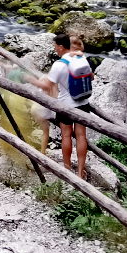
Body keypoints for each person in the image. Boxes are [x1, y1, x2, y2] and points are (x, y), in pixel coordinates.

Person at [40, 33, 94, 178]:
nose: (55, 49)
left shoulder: (59, 65)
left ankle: (67, 168)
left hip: (66, 105)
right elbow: (92, 77)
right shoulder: (81, 58)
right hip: (83, 103)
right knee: (81, 136)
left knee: (66, 136)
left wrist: (30, 79)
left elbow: (47, 85)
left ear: (61, 47)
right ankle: (80, 171)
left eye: (55, 46)